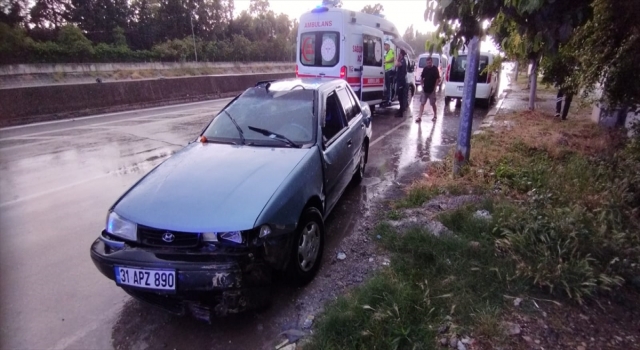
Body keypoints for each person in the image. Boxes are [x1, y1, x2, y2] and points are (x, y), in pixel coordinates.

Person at [417, 56, 440, 122]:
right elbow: (422, 77)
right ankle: (419, 117)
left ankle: (435, 115)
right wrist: (422, 85)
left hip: (432, 90)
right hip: (425, 90)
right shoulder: (425, 69)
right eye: (427, 63)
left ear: (431, 62)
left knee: (433, 104)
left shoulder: (435, 69)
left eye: (429, 62)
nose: (428, 64)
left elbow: (437, 78)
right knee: (422, 103)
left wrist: (435, 87)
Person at [394, 49, 408, 118]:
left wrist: (397, 58)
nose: (398, 54)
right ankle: (400, 110)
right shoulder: (402, 60)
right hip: (400, 81)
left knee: (401, 97)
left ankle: (401, 112)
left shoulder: (403, 61)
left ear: (401, 54)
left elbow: (396, 64)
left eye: (399, 53)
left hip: (402, 82)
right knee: (400, 97)